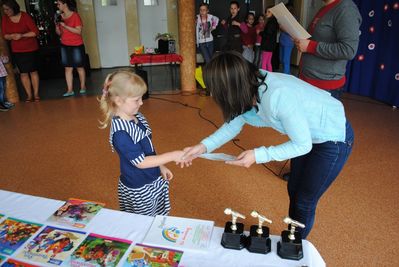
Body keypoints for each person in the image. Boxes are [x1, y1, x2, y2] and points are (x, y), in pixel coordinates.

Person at [181, 51, 354, 238]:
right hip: (307, 136)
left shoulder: (277, 95)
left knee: (305, 200)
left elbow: (302, 145)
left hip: (333, 137)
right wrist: (202, 147)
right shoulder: (248, 86)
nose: (213, 94)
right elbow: (231, 125)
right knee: (294, 188)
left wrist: (258, 155)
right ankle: (293, 234)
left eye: (215, 88)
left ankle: (294, 245)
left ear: (230, 87)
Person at [99, 70, 184, 216]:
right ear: (119, 101)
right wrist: (172, 155)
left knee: (157, 215)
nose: (142, 102)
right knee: (143, 222)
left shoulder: (137, 116)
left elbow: (148, 149)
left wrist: (160, 166)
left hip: (153, 177)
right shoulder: (121, 134)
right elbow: (141, 162)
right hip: (139, 186)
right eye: (136, 100)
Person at [294, 0, 362, 100]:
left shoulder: (346, 9)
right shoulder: (325, 7)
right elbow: (318, 39)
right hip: (308, 79)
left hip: (324, 86)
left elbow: (348, 50)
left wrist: (310, 46)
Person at [1, 0, 40, 102]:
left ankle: (36, 94)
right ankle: (29, 95)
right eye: (4, 9)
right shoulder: (5, 19)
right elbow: (5, 35)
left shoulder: (25, 16)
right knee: (23, 73)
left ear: (14, 8)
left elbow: (35, 32)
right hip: (17, 50)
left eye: (7, 9)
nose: (6, 11)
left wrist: (21, 35)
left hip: (31, 48)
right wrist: (11, 36)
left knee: (33, 71)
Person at [55, 0, 87, 97]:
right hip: (65, 45)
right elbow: (59, 33)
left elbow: (78, 31)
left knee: (79, 67)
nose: (57, 6)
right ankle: (70, 90)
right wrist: (57, 27)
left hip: (77, 45)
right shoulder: (59, 17)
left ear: (65, 4)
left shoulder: (75, 16)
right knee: (68, 68)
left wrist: (65, 26)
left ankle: (82, 86)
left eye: (59, 4)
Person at [259, 6, 278, 71]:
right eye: (266, 11)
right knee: (268, 62)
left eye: (269, 12)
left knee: (264, 62)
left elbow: (267, 35)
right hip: (271, 46)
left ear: (273, 13)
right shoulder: (274, 21)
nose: (266, 13)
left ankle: (264, 78)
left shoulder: (271, 22)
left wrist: (260, 32)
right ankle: (270, 78)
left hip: (267, 46)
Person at [279, 4, 295, 74]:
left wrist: (282, 28)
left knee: (286, 60)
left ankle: (287, 76)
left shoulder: (292, 18)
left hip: (288, 43)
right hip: (282, 41)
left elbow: (292, 31)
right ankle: (284, 74)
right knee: (281, 59)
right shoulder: (284, 18)